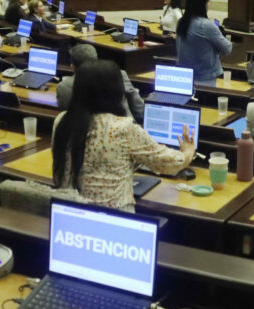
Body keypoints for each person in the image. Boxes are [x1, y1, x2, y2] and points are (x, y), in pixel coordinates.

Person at [51, 60, 193, 211]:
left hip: (70, 215)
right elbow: (168, 164)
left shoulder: (61, 121)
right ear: (116, 91)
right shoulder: (123, 128)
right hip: (115, 219)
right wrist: (188, 152)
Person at [56, 43, 144, 119]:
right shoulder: (118, 73)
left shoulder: (63, 86)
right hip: (123, 126)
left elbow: (67, 115)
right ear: (96, 59)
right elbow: (136, 103)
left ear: (72, 67)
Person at [175, 0, 232, 84]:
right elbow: (227, 49)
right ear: (202, 4)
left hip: (184, 76)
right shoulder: (206, 25)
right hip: (204, 78)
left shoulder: (181, 22)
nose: (209, 4)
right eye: (208, 1)